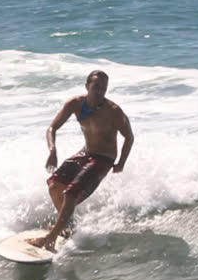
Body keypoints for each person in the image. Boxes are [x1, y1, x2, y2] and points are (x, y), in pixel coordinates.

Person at [28, 70, 134, 252]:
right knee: (54, 185)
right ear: (87, 86)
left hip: (104, 158)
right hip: (86, 153)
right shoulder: (76, 104)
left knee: (71, 194)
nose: (100, 91)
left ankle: (50, 238)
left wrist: (121, 163)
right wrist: (52, 150)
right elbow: (52, 128)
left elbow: (129, 137)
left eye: (104, 88)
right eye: (96, 87)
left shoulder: (113, 112)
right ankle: (66, 226)